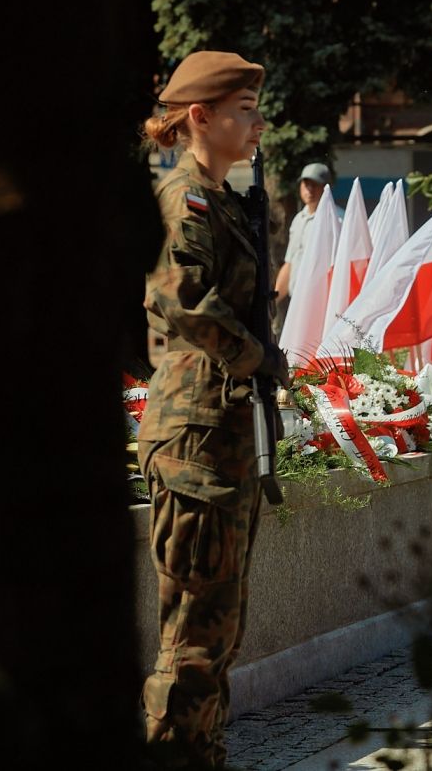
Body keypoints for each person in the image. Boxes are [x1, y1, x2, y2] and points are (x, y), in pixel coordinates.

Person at [138, 51, 290, 768]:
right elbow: (182, 297)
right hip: (194, 436)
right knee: (195, 629)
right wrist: (256, 357)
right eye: (244, 110)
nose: (258, 123)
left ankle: (203, 752)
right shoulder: (184, 200)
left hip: (222, 430)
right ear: (200, 117)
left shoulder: (224, 200)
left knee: (221, 623)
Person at [273, 161, 335, 302]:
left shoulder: (336, 220)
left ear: (326, 188)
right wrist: (272, 303)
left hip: (323, 302)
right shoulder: (298, 220)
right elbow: (290, 263)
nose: (309, 189)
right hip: (298, 301)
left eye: (315, 184)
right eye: (306, 184)